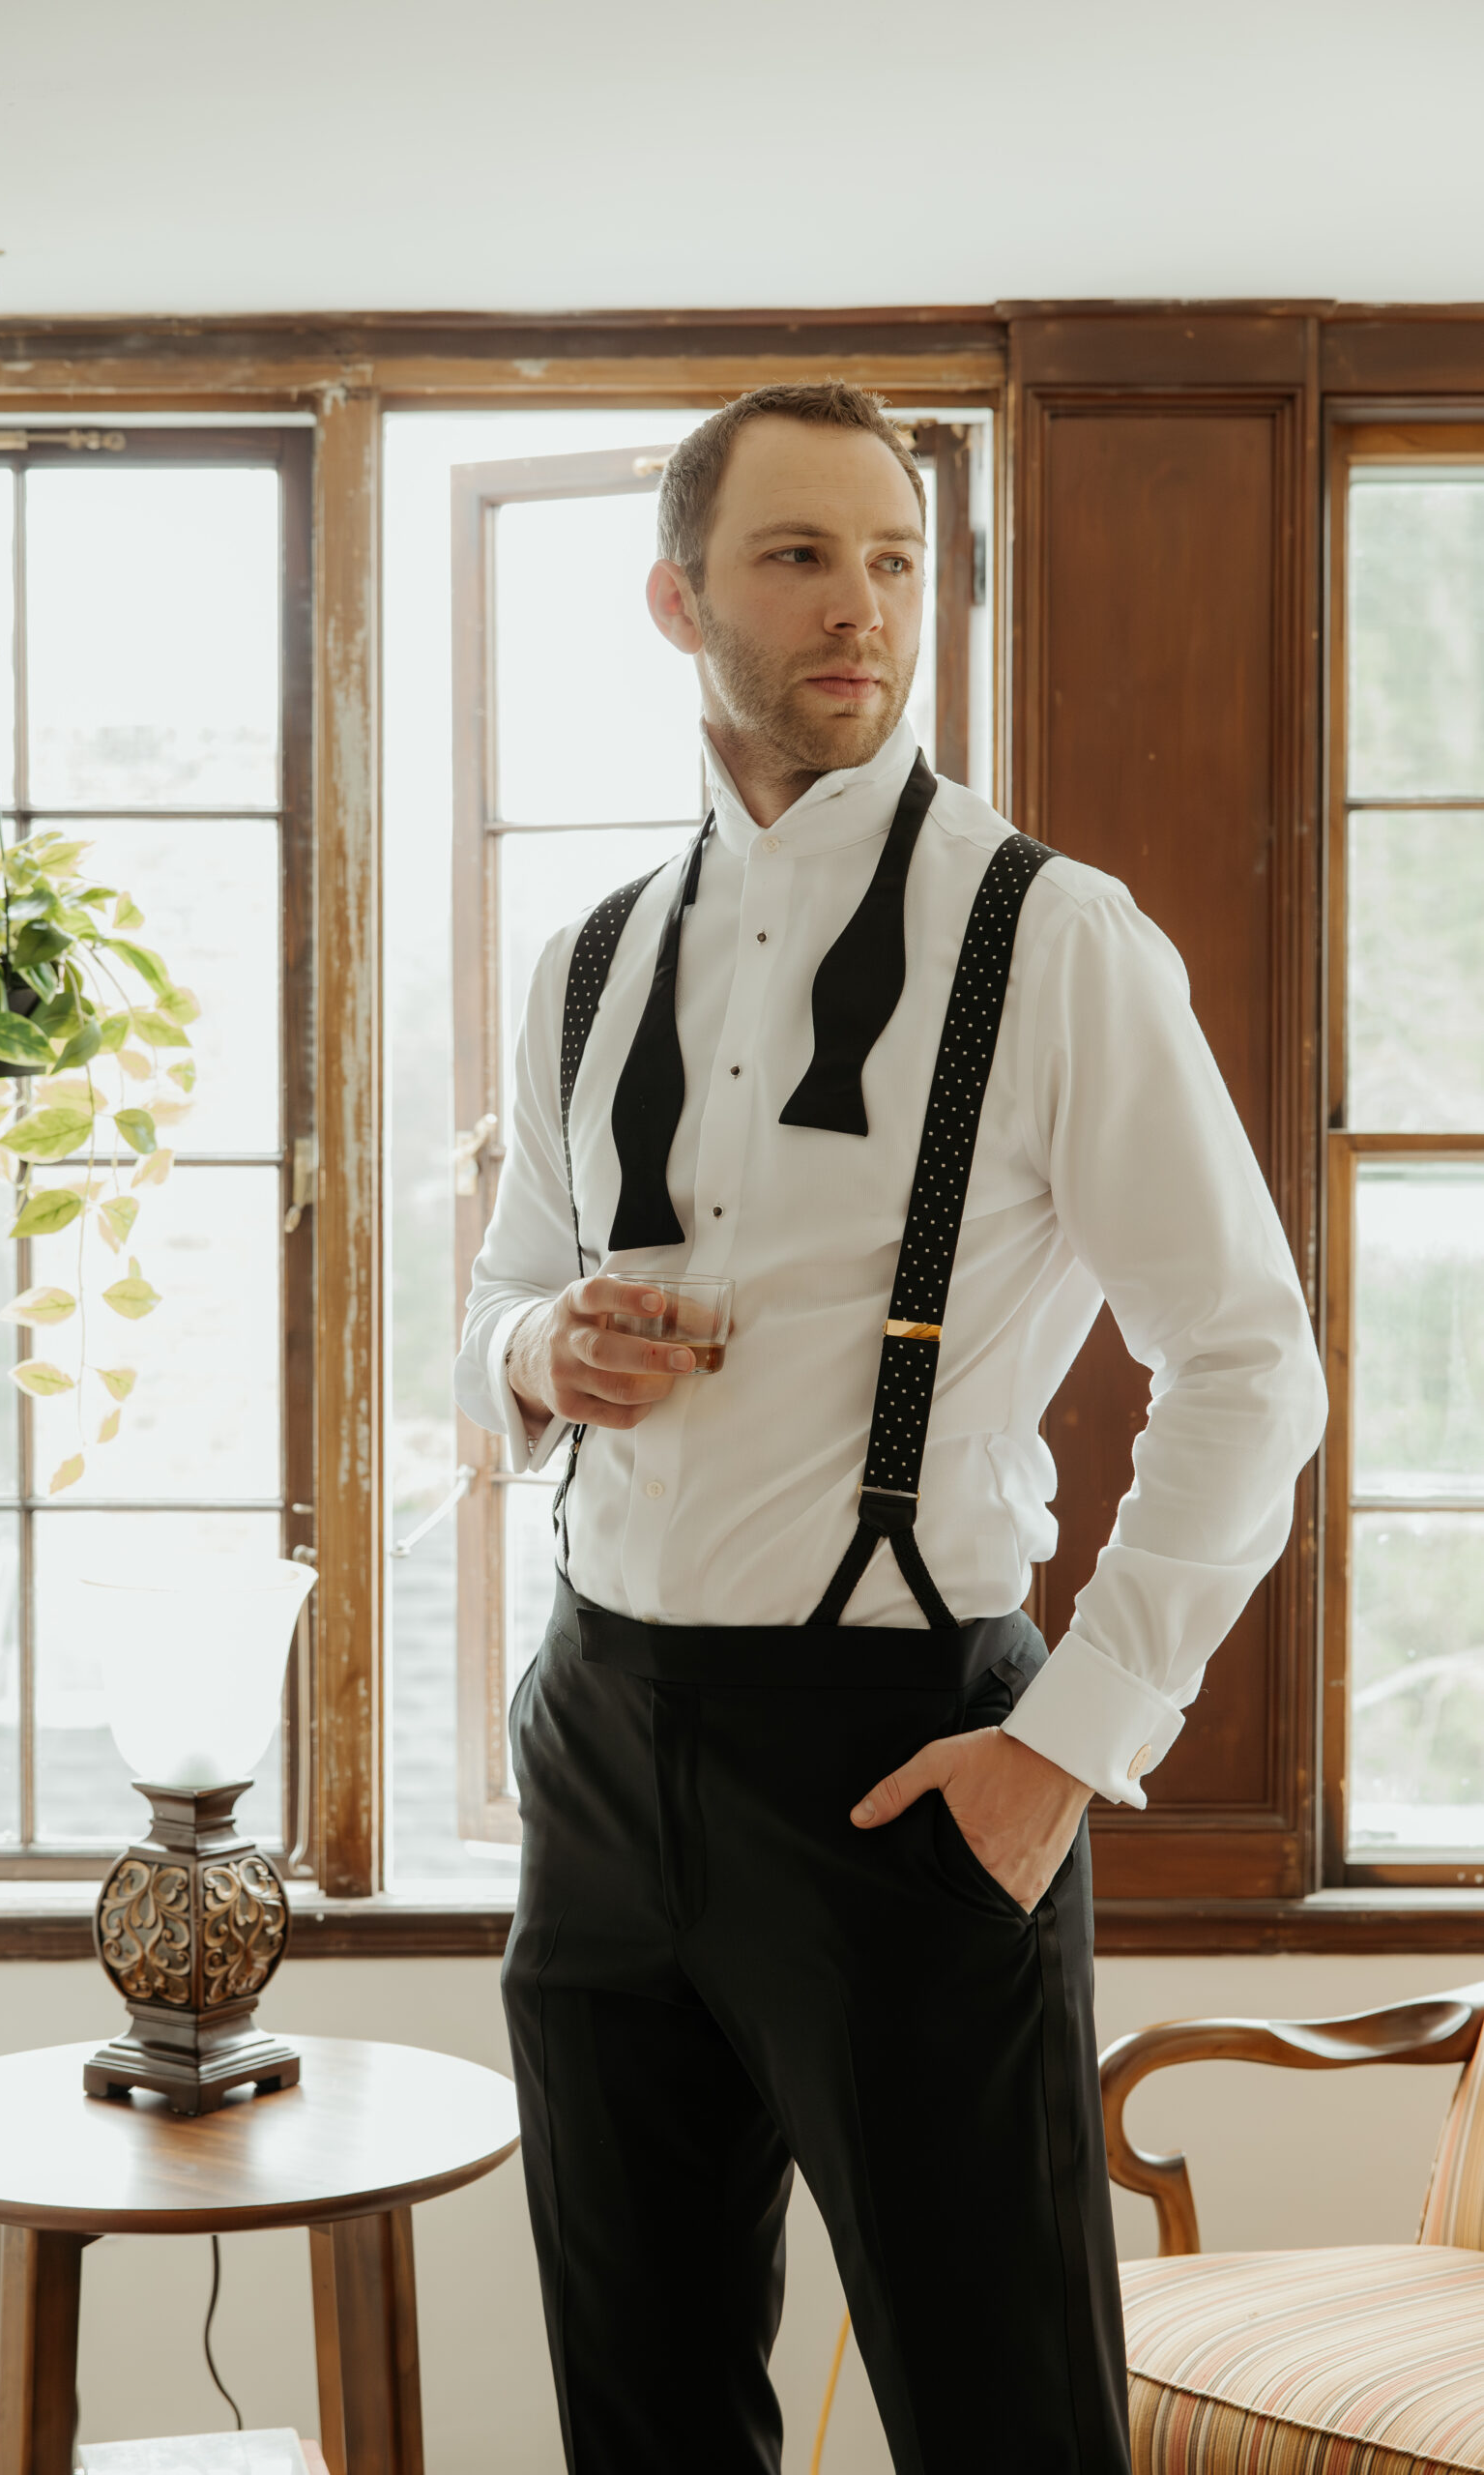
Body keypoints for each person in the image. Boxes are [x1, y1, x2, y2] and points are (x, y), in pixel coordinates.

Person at [454, 382, 1326, 2475]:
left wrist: (1069, 1744)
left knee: (1001, 2417)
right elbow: (490, 1300)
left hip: (904, 1756)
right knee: (641, 2416)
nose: (861, 607)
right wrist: (537, 1351)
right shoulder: (583, 963)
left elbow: (1249, 1361)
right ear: (677, 600)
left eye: (894, 560)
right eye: (796, 557)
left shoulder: (1053, 937)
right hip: (600, 1736)